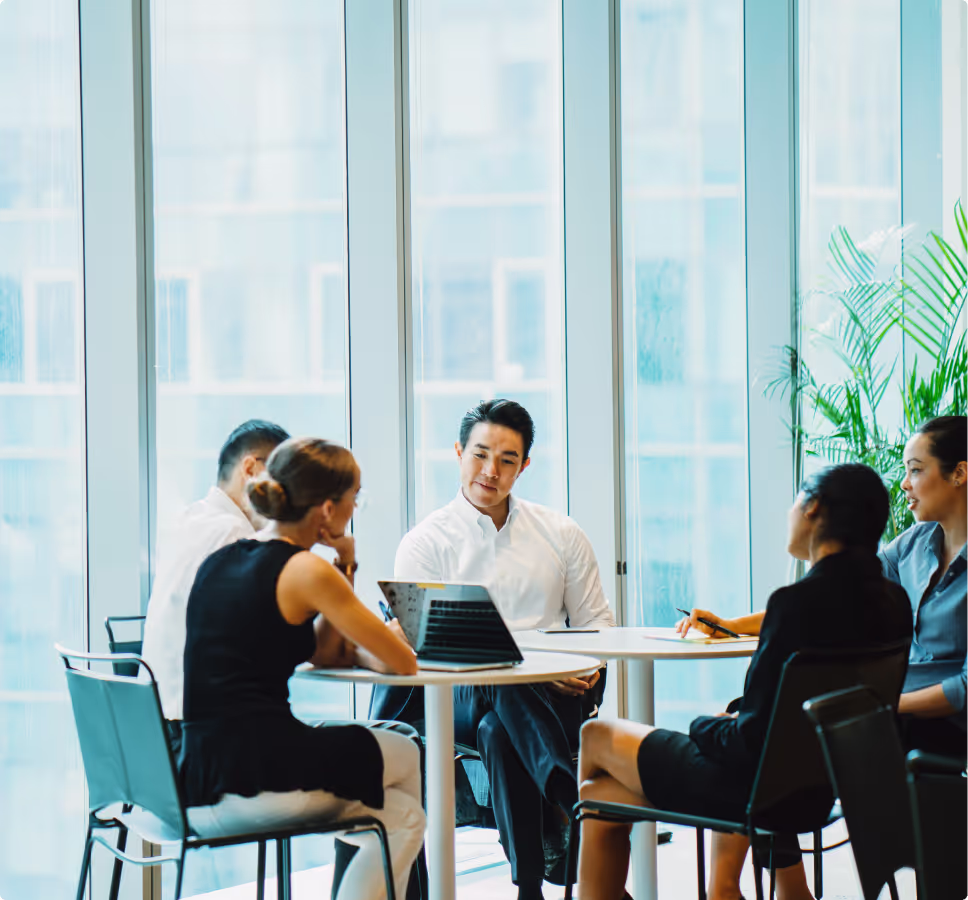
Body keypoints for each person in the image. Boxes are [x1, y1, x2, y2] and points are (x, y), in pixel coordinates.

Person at [575, 463, 913, 900]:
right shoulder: (893, 602)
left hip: (753, 792)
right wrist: (733, 721)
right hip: (823, 787)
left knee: (596, 734)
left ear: (812, 508)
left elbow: (748, 742)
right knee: (601, 791)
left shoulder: (795, 605)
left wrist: (705, 724)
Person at [370, 399, 615, 900]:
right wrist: (526, 671)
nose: (490, 470)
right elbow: (425, 649)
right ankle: (567, 794)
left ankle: (529, 889)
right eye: (480, 454)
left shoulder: (561, 534)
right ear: (458, 452)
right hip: (455, 698)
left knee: (498, 730)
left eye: (507, 459)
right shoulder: (425, 543)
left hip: (556, 698)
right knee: (492, 682)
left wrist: (576, 671)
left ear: (524, 465)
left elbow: (597, 631)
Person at [180, 437, 425, 900]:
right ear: (329, 510)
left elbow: (328, 653)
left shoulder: (223, 559)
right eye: (356, 499)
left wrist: (345, 565)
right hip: (261, 773)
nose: (357, 508)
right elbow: (403, 662)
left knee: (403, 816)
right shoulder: (305, 571)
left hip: (200, 773)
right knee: (407, 753)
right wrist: (343, 567)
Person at [683, 416, 968, 757]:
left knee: (763, 728)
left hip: (936, 732)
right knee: (748, 713)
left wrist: (883, 705)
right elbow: (837, 595)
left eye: (916, 470)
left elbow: (964, 690)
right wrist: (729, 625)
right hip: (888, 716)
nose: (904, 483)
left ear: (959, 474)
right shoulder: (912, 546)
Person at [143, 418, 290, 743]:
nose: (287, 497)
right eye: (283, 480)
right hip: (206, 735)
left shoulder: (187, 520)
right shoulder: (232, 533)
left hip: (158, 732)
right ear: (251, 469)